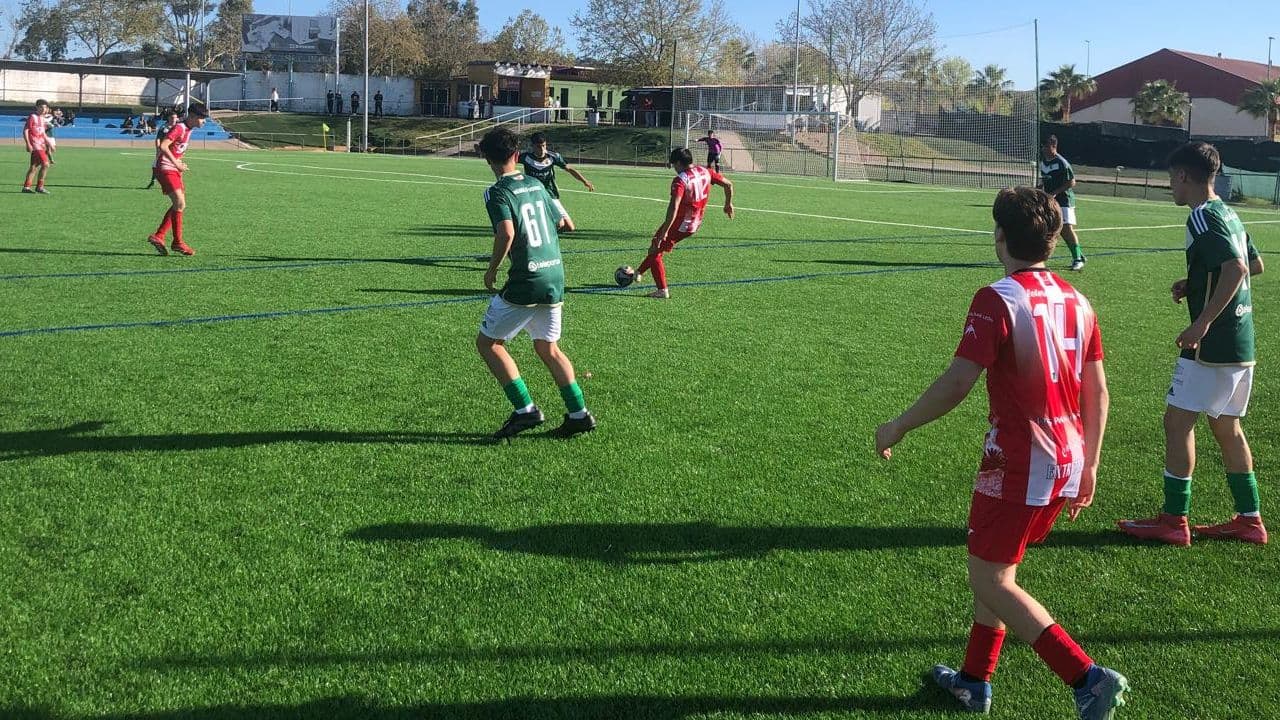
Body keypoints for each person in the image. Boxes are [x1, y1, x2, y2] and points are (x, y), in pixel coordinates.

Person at [875, 187, 1128, 719]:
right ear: (1055, 242)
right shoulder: (1078, 301)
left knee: (990, 578)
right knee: (996, 568)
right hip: (1067, 457)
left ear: (999, 237)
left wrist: (899, 426)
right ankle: (974, 681)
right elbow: (1098, 391)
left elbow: (959, 381)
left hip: (1018, 463)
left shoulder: (998, 298)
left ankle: (1085, 676)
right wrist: (1092, 465)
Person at [1118, 141, 1267, 546]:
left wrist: (1202, 322)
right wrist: (1197, 282)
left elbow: (1237, 267)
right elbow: (1255, 264)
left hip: (1212, 345)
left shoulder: (1202, 216)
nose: (1171, 186)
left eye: (1172, 179)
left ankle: (1173, 520)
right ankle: (1250, 519)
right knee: (1226, 427)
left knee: (1177, 421)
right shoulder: (1230, 213)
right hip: (1241, 342)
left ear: (1184, 176)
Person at [474, 126, 597, 440]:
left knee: (488, 343)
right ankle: (578, 414)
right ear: (517, 155)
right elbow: (563, 223)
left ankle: (525, 410)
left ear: (486, 158)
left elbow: (506, 233)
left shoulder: (496, 192)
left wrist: (491, 271)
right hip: (555, 274)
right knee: (548, 347)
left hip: (527, 278)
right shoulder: (537, 185)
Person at [628, 147, 733, 299]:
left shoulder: (681, 180)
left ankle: (662, 290)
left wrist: (664, 231)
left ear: (678, 162)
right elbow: (728, 185)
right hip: (695, 224)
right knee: (657, 247)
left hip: (681, 224)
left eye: (674, 165)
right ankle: (639, 272)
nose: (674, 169)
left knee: (656, 247)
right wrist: (728, 204)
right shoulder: (706, 171)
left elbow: (674, 207)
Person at [146, 102, 208, 257]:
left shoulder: (189, 129)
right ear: (193, 117)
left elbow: (176, 148)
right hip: (166, 168)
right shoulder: (180, 128)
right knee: (179, 203)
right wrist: (175, 163)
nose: (204, 121)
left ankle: (160, 236)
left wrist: (180, 162)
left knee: (179, 204)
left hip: (173, 169)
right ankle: (177, 242)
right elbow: (164, 146)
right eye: (202, 118)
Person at [518, 133, 595, 233]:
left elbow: (569, 169)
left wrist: (585, 181)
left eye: (543, 146)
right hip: (533, 194)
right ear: (532, 146)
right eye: (538, 146)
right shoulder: (525, 157)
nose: (542, 149)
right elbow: (508, 161)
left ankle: (544, 230)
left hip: (550, 194)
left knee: (569, 227)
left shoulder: (553, 156)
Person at [1040, 136, 1085, 271]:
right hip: (1050, 200)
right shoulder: (1044, 161)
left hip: (1064, 200)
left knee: (1066, 229)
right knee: (1048, 228)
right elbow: (1046, 179)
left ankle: (1077, 259)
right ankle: (1079, 255)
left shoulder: (1062, 162)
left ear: (1054, 146)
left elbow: (1072, 182)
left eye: (1047, 146)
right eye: (1043, 146)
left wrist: (1055, 192)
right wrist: (1039, 188)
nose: (1044, 149)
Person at [21, 99, 52, 194]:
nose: (44, 109)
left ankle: (26, 187)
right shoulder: (32, 117)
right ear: (37, 108)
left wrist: (49, 143)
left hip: (41, 145)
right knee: (46, 164)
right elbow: (26, 130)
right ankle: (40, 187)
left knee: (33, 167)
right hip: (35, 145)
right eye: (41, 107)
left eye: (45, 107)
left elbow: (43, 134)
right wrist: (28, 143)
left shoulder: (42, 119)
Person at [146, 108, 181, 190]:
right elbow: (158, 139)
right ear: (169, 118)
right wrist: (158, 149)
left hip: (173, 151)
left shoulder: (178, 127)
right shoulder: (164, 128)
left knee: (176, 166)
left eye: (175, 118)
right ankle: (153, 180)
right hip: (163, 150)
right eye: (172, 118)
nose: (174, 119)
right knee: (155, 165)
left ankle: (175, 183)